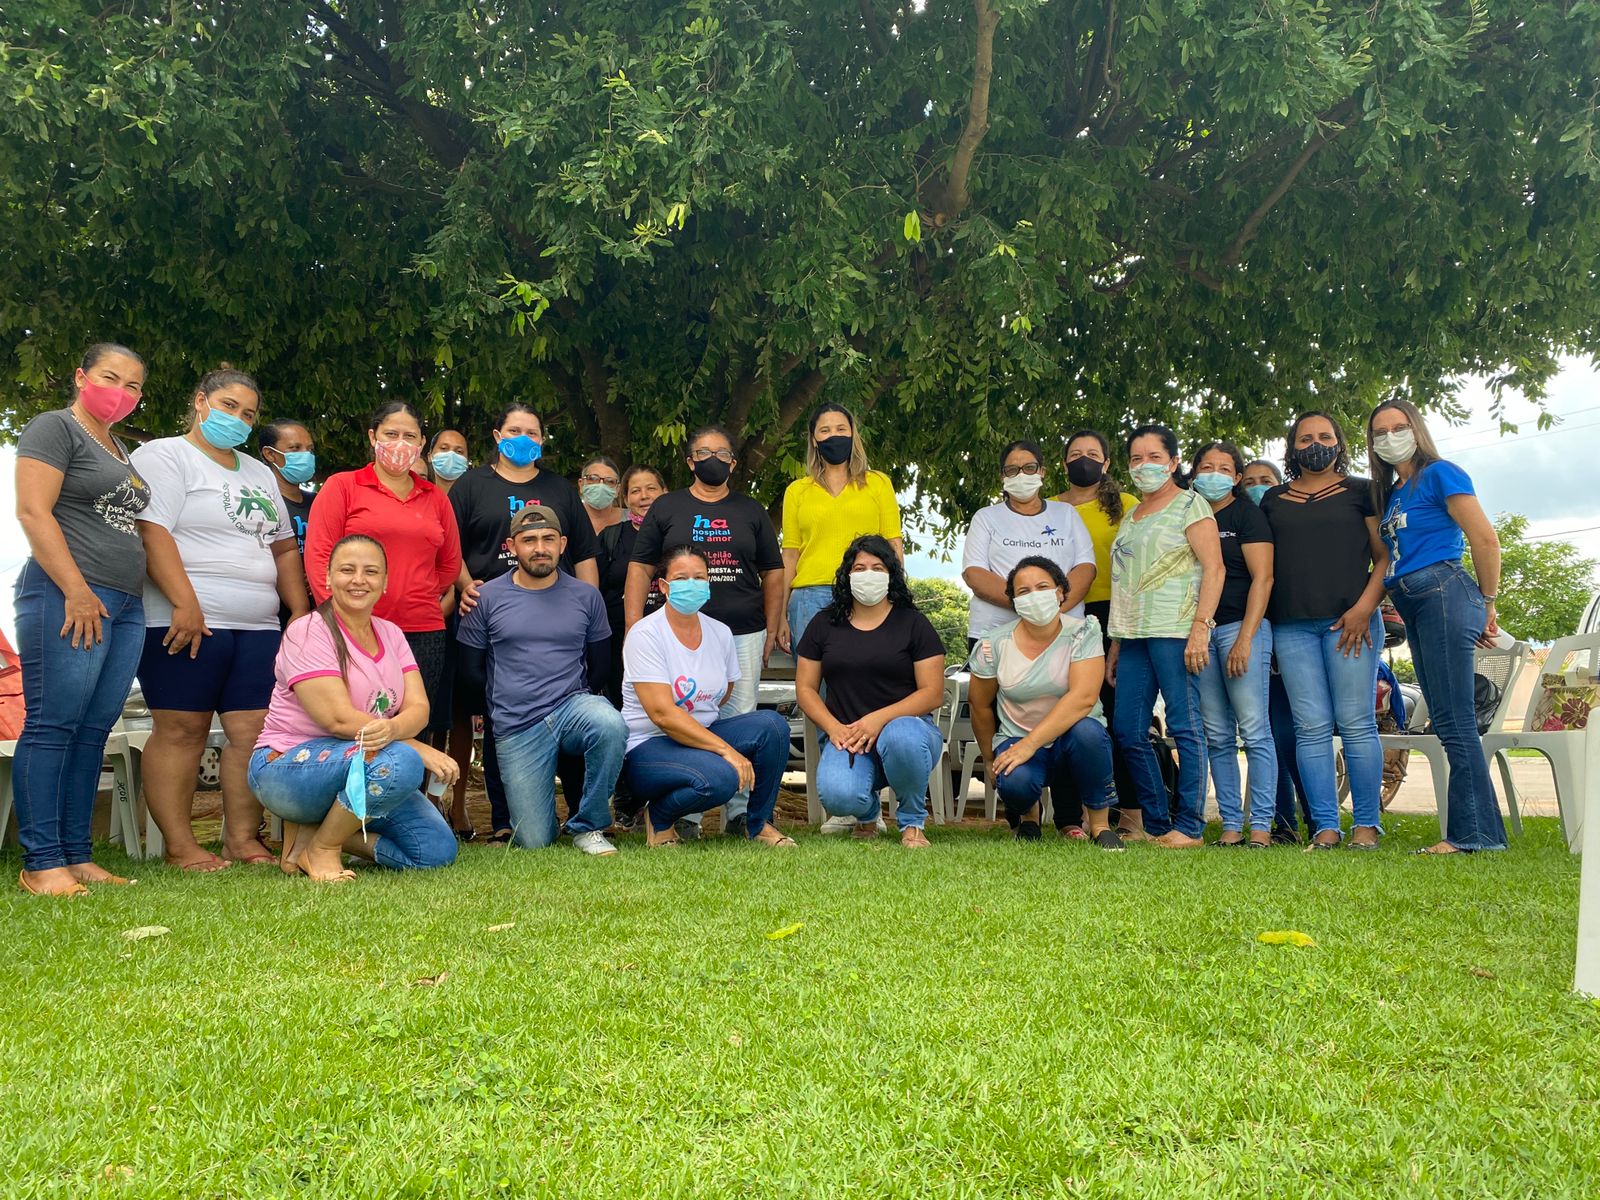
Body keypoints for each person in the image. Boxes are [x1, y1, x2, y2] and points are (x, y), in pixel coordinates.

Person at [132, 367, 310, 871]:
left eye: (248, 414)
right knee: (182, 730)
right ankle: (181, 846)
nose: (238, 419)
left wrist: (299, 612)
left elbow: (283, 548)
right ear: (200, 401)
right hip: (183, 619)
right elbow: (152, 531)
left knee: (253, 731)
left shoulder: (257, 472)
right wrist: (185, 602)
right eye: (229, 406)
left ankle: (241, 839)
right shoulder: (164, 455)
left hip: (258, 625)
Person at [12, 343, 151, 895]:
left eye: (133, 385)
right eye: (110, 378)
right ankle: (42, 861)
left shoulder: (118, 447)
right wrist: (75, 590)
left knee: (94, 730)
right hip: (68, 595)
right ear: (80, 376)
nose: (121, 392)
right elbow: (33, 510)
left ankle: (77, 855)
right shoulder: (55, 428)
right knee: (54, 725)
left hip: (125, 603)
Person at [249, 535, 460, 882]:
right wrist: (412, 744)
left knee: (434, 850)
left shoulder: (391, 633)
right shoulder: (308, 632)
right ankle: (323, 849)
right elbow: (336, 719)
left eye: (371, 571)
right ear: (328, 578)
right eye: (347, 570)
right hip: (287, 766)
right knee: (401, 761)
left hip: (367, 761)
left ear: (385, 582)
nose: (359, 580)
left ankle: (313, 836)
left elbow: (419, 707)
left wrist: (395, 732)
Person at [448, 402, 598, 842]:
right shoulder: (471, 485)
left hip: (556, 616)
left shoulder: (559, 488)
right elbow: (448, 545)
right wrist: (466, 586)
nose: (524, 438)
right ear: (497, 436)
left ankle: (580, 813)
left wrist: (588, 608)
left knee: (571, 706)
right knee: (500, 716)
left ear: (542, 440)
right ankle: (503, 819)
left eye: (532, 432)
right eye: (514, 430)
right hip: (490, 618)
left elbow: (584, 553)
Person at [625, 425, 783, 838]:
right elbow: (640, 567)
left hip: (740, 632)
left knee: (733, 716)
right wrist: (632, 624)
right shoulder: (667, 507)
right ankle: (687, 814)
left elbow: (773, 572)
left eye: (722, 453)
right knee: (684, 713)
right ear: (690, 461)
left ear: (733, 462)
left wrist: (772, 626)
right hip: (673, 632)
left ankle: (741, 816)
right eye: (703, 452)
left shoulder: (751, 510)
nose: (713, 459)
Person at [1368, 399, 1506, 855]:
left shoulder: (1441, 473)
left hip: (1444, 592)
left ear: (1417, 429)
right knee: (1446, 719)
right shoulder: (1394, 492)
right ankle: (1483, 833)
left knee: (1454, 719)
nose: (1390, 437)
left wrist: (1487, 602)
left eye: (1399, 427)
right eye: (1380, 431)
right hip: (1415, 602)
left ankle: (1473, 836)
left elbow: (1485, 539)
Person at [457, 506, 624, 854]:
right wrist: (501, 707)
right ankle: (548, 823)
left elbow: (600, 665)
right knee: (534, 840)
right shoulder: (485, 598)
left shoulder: (586, 595)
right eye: (529, 540)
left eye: (548, 539)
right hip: (517, 723)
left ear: (562, 544)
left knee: (609, 723)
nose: (540, 548)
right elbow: (471, 669)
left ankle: (589, 825)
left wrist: (578, 698)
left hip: (571, 708)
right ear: (512, 546)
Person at [1259, 411, 1390, 850]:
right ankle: (1325, 828)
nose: (1315, 444)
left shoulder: (1362, 492)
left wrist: (1364, 609)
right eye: (1305, 438)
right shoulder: (1273, 499)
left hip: (1351, 625)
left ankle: (1367, 827)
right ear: (1292, 447)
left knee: (1356, 723)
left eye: (1325, 436)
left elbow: (1384, 557)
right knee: (1310, 727)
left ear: (1339, 443)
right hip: (1291, 628)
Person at [620, 547, 796, 848]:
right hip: (648, 745)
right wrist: (726, 751)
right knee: (722, 778)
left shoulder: (720, 633)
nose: (691, 584)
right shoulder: (645, 634)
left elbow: (722, 694)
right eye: (681, 578)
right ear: (663, 586)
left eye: (699, 577)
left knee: (773, 727)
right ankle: (660, 816)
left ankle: (758, 824)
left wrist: (710, 741)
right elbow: (662, 714)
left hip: (700, 735)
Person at [303, 401, 462, 731]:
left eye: (410, 436)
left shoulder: (436, 498)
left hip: (423, 630)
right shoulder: (342, 486)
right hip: (353, 629)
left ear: (421, 443)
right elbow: (320, 558)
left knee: (413, 729)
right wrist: (341, 617)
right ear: (373, 437)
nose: (400, 444)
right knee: (355, 726)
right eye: (391, 434)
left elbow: (449, 564)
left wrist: (414, 589)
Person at [1106, 424, 1224, 848]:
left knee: (1185, 727)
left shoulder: (1191, 505)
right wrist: (1116, 643)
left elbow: (1215, 569)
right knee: (1128, 731)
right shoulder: (1131, 516)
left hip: (1176, 631)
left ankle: (1189, 826)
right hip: (1133, 636)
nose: (1144, 466)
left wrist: (1201, 629)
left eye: (1154, 457)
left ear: (1173, 462)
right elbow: (1125, 582)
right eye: (1136, 459)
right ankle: (1157, 824)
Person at [793, 535, 944, 848]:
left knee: (901, 735)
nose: (868, 574)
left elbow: (932, 693)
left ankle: (912, 822)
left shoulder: (914, 623)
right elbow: (805, 689)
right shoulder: (824, 623)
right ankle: (868, 813)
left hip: (908, 734)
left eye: (877, 567)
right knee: (838, 796)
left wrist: (878, 720)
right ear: (847, 575)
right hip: (849, 736)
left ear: (891, 574)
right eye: (859, 568)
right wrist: (833, 728)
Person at [968, 558, 1124, 851]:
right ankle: (1029, 817)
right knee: (1014, 780)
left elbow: (1083, 698)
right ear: (1014, 601)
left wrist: (1030, 744)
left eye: (1042, 587)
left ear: (1060, 592)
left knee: (1089, 733)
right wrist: (989, 757)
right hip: (1017, 736)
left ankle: (1100, 825)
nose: (1034, 596)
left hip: (1072, 741)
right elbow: (980, 705)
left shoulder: (1083, 632)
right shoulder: (993, 644)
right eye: (1023, 591)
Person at [1187, 441, 1277, 846]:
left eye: (1224, 468)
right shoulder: (1187, 513)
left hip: (1240, 628)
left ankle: (1260, 826)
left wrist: (1245, 638)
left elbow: (1264, 578)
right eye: (1206, 467)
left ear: (1237, 477)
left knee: (1254, 731)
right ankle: (1230, 825)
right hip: (1200, 634)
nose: (1214, 474)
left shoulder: (1246, 514)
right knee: (1217, 734)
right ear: (1193, 473)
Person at [1053, 428, 1141, 837]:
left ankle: (1130, 814)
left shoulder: (1127, 505)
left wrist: (1121, 629)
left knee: (1117, 716)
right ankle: (1074, 817)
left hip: (1116, 615)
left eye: (1092, 454)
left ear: (1106, 463)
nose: (1083, 460)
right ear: (1064, 463)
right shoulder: (1050, 508)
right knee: (1069, 714)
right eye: (1075, 454)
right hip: (1062, 615)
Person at [778, 403, 904, 656]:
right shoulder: (796, 491)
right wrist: (780, 614)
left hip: (867, 592)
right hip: (808, 598)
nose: (833, 435)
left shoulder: (878, 483)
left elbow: (893, 545)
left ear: (852, 435)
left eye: (841, 429)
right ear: (814, 440)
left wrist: (897, 597)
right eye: (825, 430)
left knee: (866, 674)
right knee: (812, 678)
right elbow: (790, 555)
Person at [961, 439, 1096, 650]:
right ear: (1002, 476)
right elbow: (974, 573)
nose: (1021, 475)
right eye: (1012, 470)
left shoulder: (1066, 513)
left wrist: (1051, 612)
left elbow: (1086, 568)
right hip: (996, 634)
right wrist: (1028, 605)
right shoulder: (985, 517)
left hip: (1065, 632)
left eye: (1029, 468)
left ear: (1042, 471)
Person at [1242, 458, 1312, 841]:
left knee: (1290, 733)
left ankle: (1316, 818)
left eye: (1266, 480)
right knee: (1268, 732)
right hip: (1252, 640)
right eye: (1250, 481)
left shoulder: (1289, 526)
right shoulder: (1238, 526)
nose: (1258, 487)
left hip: (1290, 635)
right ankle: (1283, 823)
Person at [260, 419, 318, 629]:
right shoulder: (262, 504)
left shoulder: (319, 502)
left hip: (318, 609)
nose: (305, 455)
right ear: (270, 454)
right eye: (295, 448)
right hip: (273, 614)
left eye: (309, 449)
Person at [578, 453, 624, 537]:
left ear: (617, 489)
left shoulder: (631, 518)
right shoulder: (567, 518)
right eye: (592, 478)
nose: (601, 486)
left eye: (610, 481)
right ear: (581, 484)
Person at [425, 428, 470, 495]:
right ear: (430, 456)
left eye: (459, 451)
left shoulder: (476, 496)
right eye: (444, 448)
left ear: (467, 461)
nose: (451, 454)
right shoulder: (419, 494)